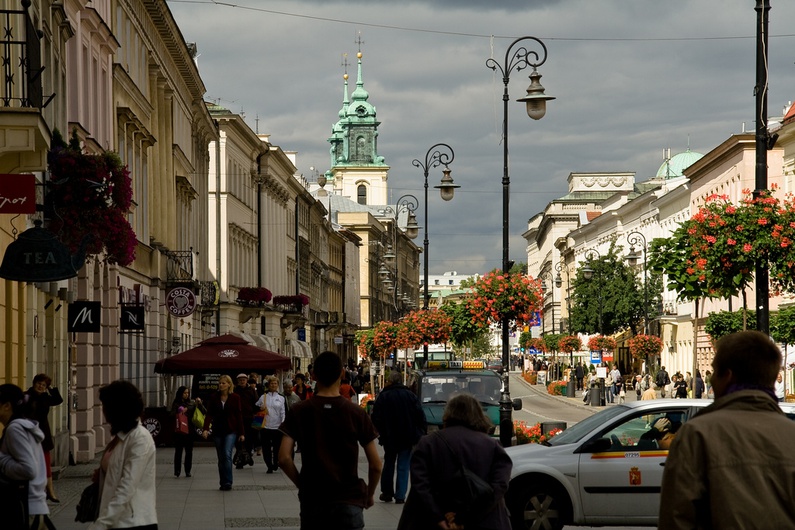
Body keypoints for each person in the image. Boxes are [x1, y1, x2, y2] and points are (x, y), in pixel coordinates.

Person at [659, 331, 795, 528]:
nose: (712, 380)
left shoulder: (698, 434)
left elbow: (676, 518)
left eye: (714, 372)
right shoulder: (790, 434)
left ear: (728, 376)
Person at [278, 351, 382, 530]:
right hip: (348, 499)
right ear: (342, 373)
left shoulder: (299, 411)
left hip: (314, 499)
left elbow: (284, 458)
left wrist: (302, 485)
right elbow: (376, 465)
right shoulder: (355, 413)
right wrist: (370, 494)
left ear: (313, 375)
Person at [397, 393, 512, 530]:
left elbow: (420, 485)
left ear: (448, 414)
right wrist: (466, 518)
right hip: (485, 521)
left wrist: (439, 516)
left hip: (430, 521)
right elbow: (499, 486)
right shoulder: (492, 446)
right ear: (478, 415)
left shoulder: (428, 444)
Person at [92, 380, 158, 530]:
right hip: (115, 519)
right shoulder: (121, 436)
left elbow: (127, 485)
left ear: (118, 408)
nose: (103, 411)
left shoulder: (140, 437)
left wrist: (102, 523)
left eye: (106, 406)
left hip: (133, 521)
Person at [0, 383, 51, 530]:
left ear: (7, 406)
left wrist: (2, 460)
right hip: (33, 506)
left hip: (25, 507)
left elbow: (29, 469)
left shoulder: (15, 429)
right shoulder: (22, 426)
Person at [371, 371, 426, 504]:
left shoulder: (384, 396)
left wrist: (382, 431)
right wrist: (421, 432)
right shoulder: (410, 396)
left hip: (389, 436)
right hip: (408, 435)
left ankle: (387, 492)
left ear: (390, 381)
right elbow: (420, 415)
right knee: (403, 464)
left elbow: (375, 416)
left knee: (389, 463)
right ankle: (400, 495)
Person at [202, 375, 245, 491]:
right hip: (218, 430)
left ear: (229, 385)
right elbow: (209, 414)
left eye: (223, 383)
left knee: (227, 454)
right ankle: (222, 481)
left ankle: (228, 482)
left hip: (231, 430)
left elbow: (239, 415)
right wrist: (205, 429)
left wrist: (241, 433)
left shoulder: (235, 397)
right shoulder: (214, 397)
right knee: (221, 458)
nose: (221, 385)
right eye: (220, 383)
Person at [25, 373, 64, 503]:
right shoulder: (26, 396)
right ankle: (35, 489)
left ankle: (50, 490)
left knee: (46, 462)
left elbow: (59, 400)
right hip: (29, 433)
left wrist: (51, 388)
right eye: (39, 383)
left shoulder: (46, 397)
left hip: (43, 434)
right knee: (31, 462)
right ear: (34, 383)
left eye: (44, 385)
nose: (41, 386)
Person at [256, 376, 286, 473]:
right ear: (268, 385)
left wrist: (283, 422)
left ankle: (275, 462)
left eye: (275, 383)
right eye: (271, 383)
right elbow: (255, 407)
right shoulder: (263, 397)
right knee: (266, 447)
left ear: (278, 385)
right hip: (265, 426)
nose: (273, 385)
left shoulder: (281, 398)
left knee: (277, 447)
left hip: (277, 427)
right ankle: (269, 465)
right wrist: (260, 407)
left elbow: (283, 412)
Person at [171, 386, 201, 478]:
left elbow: (197, 411)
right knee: (178, 451)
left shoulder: (191, 403)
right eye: (184, 393)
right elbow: (171, 414)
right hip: (179, 431)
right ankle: (177, 470)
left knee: (189, 451)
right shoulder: (176, 403)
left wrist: (197, 404)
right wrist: (179, 411)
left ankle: (188, 470)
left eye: (187, 393)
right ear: (180, 393)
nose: (186, 394)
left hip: (189, 430)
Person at [233, 373, 258, 468]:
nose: (242, 381)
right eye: (240, 380)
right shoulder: (235, 391)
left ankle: (248, 456)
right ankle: (240, 460)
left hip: (249, 418)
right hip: (237, 419)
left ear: (247, 380)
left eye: (244, 379)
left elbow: (256, 403)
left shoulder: (251, 390)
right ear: (238, 381)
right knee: (239, 440)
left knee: (249, 439)